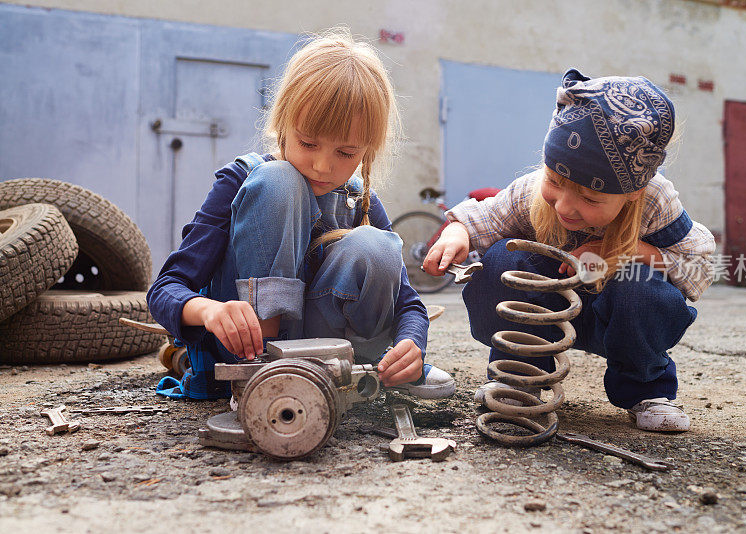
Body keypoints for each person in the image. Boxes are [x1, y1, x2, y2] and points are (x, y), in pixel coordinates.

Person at [147, 30, 454, 401]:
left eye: (346, 153)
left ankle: (366, 373)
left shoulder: (360, 201)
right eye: (308, 143)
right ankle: (262, 374)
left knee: (376, 244)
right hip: (248, 351)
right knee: (280, 181)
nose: (323, 166)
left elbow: (409, 303)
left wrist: (410, 343)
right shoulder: (242, 180)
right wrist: (210, 311)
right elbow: (165, 290)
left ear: (367, 151)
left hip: (332, 358)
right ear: (282, 121)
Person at [423, 69, 715, 432]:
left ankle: (645, 388)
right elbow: (482, 217)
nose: (564, 206)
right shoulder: (531, 190)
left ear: (634, 192)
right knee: (501, 259)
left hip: (620, 317)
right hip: (542, 312)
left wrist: (631, 250)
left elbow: (699, 263)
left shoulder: (655, 203)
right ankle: (519, 374)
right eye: (555, 182)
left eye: (590, 198)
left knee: (641, 286)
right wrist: (456, 232)